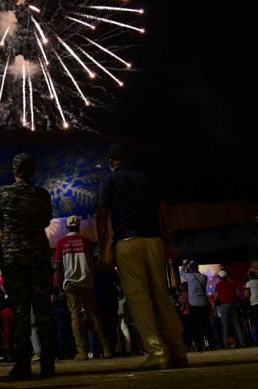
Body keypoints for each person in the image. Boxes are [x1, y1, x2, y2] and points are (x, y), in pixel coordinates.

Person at [96, 144, 188, 370]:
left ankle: (158, 352)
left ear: (111, 164)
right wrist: (169, 243)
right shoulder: (147, 178)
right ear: (129, 161)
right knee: (161, 293)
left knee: (138, 297)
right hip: (154, 240)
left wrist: (103, 249)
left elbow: (102, 216)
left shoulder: (108, 181)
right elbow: (164, 211)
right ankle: (178, 350)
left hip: (127, 241)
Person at [0, 153, 56, 379]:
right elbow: (47, 220)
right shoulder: (42, 194)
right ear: (33, 171)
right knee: (43, 311)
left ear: (15, 171)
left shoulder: (3, 193)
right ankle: (48, 362)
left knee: (19, 311)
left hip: (13, 256)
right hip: (38, 255)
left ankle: (23, 364)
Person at [53, 215, 112, 361]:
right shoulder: (86, 242)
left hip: (70, 283)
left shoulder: (61, 243)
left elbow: (59, 268)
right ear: (78, 226)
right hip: (86, 281)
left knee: (75, 316)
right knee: (93, 315)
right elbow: (91, 262)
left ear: (67, 227)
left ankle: (82, 351)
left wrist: (59, 288)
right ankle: (106, 348)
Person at [180, 261, 217, 351]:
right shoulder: (204, 277)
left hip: (194, 305)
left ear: (191, 269)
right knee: (207, 325)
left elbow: (181, 272)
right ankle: (212, 345)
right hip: (204, 303)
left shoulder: (190, 277)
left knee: (196, 326)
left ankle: (200, 346)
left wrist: (184, 264)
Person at [214, 270, 247, 348]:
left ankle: (225, 344)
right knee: (237, 325)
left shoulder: (218, 285)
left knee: (225, 326)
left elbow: (215, 298)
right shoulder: (232, 284)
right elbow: (238, 295)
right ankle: (242, 342)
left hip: (224, 306)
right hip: (233, 305)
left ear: (220, 277)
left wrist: (215, 305)